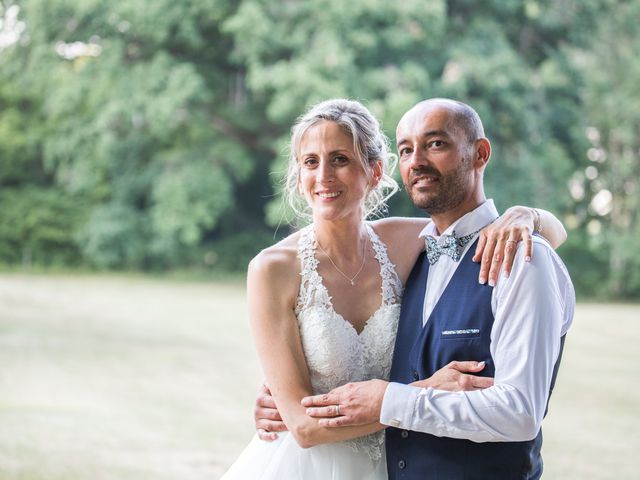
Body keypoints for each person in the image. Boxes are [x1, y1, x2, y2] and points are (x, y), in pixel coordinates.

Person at [224, 98, 568, 480]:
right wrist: (422, 390)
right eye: (310, 162)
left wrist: (531, 216)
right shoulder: (272, 268)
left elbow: (539, 240)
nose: (323, 175)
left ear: (373, 172)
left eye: (339, 159)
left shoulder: (407, 242)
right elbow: (302, 425)